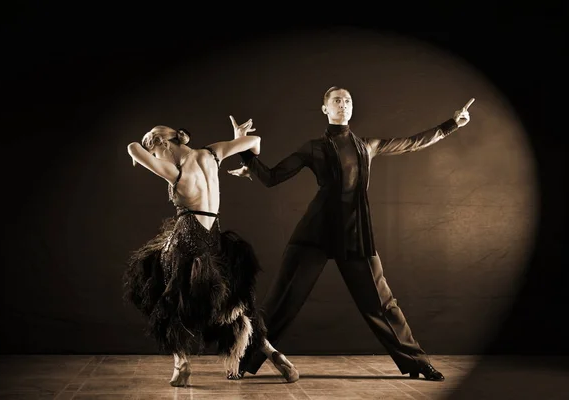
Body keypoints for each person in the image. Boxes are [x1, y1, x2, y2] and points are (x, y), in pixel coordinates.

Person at [228, 87, 474, 381]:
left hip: (355, 233)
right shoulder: (313, 148)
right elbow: (270, 177)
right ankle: (241, 360)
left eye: (347, 101)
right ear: (325, 109)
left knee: (383, 304)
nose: (343, 104)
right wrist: (242, 147)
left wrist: (452, 124)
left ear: (352, 108)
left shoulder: (367, 145)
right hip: (315, 233)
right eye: (336, 101)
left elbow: (412, 143)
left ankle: (418, 362)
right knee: (282, 301)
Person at [122, 117, 299, 387]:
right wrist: (239, 139)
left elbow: (133, 148)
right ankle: (275, 354)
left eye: (157, 153)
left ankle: (180, 363)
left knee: (166, 296)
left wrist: (142, 149)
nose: (158, 159)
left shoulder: (176, 172)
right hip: (214, 240)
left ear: (165, 146)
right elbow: (256, 143)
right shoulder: (212, 154)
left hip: (187, 241)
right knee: (233, 305)